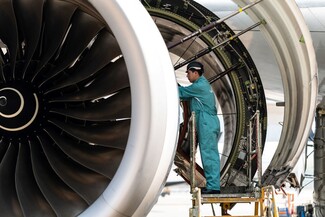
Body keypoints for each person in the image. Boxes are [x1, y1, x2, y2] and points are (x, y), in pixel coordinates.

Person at [178, 61, 221, 194]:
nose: (187, 75)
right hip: (206, 122)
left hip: (206, 122)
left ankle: (214, 187)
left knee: (209, 154)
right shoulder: (200, 84)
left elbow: (181, 93)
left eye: (188, 72)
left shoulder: (200, 86)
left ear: (195, 73)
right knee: (209, 154)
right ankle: (213, 185)